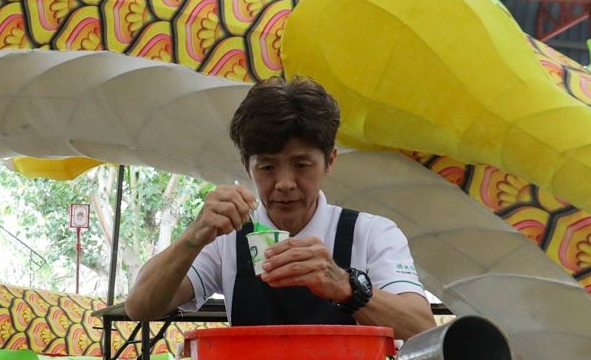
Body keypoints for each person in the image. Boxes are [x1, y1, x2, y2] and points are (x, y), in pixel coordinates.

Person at [125, 75, 435, 339]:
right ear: (246, 166)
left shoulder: (370, 233)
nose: (285, 183)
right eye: (267, 168)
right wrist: (195, 234)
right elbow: (140, 307)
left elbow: (421, 327)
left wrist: (344, 285)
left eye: (301, 165)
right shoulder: (226, 237)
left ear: (329, 161)